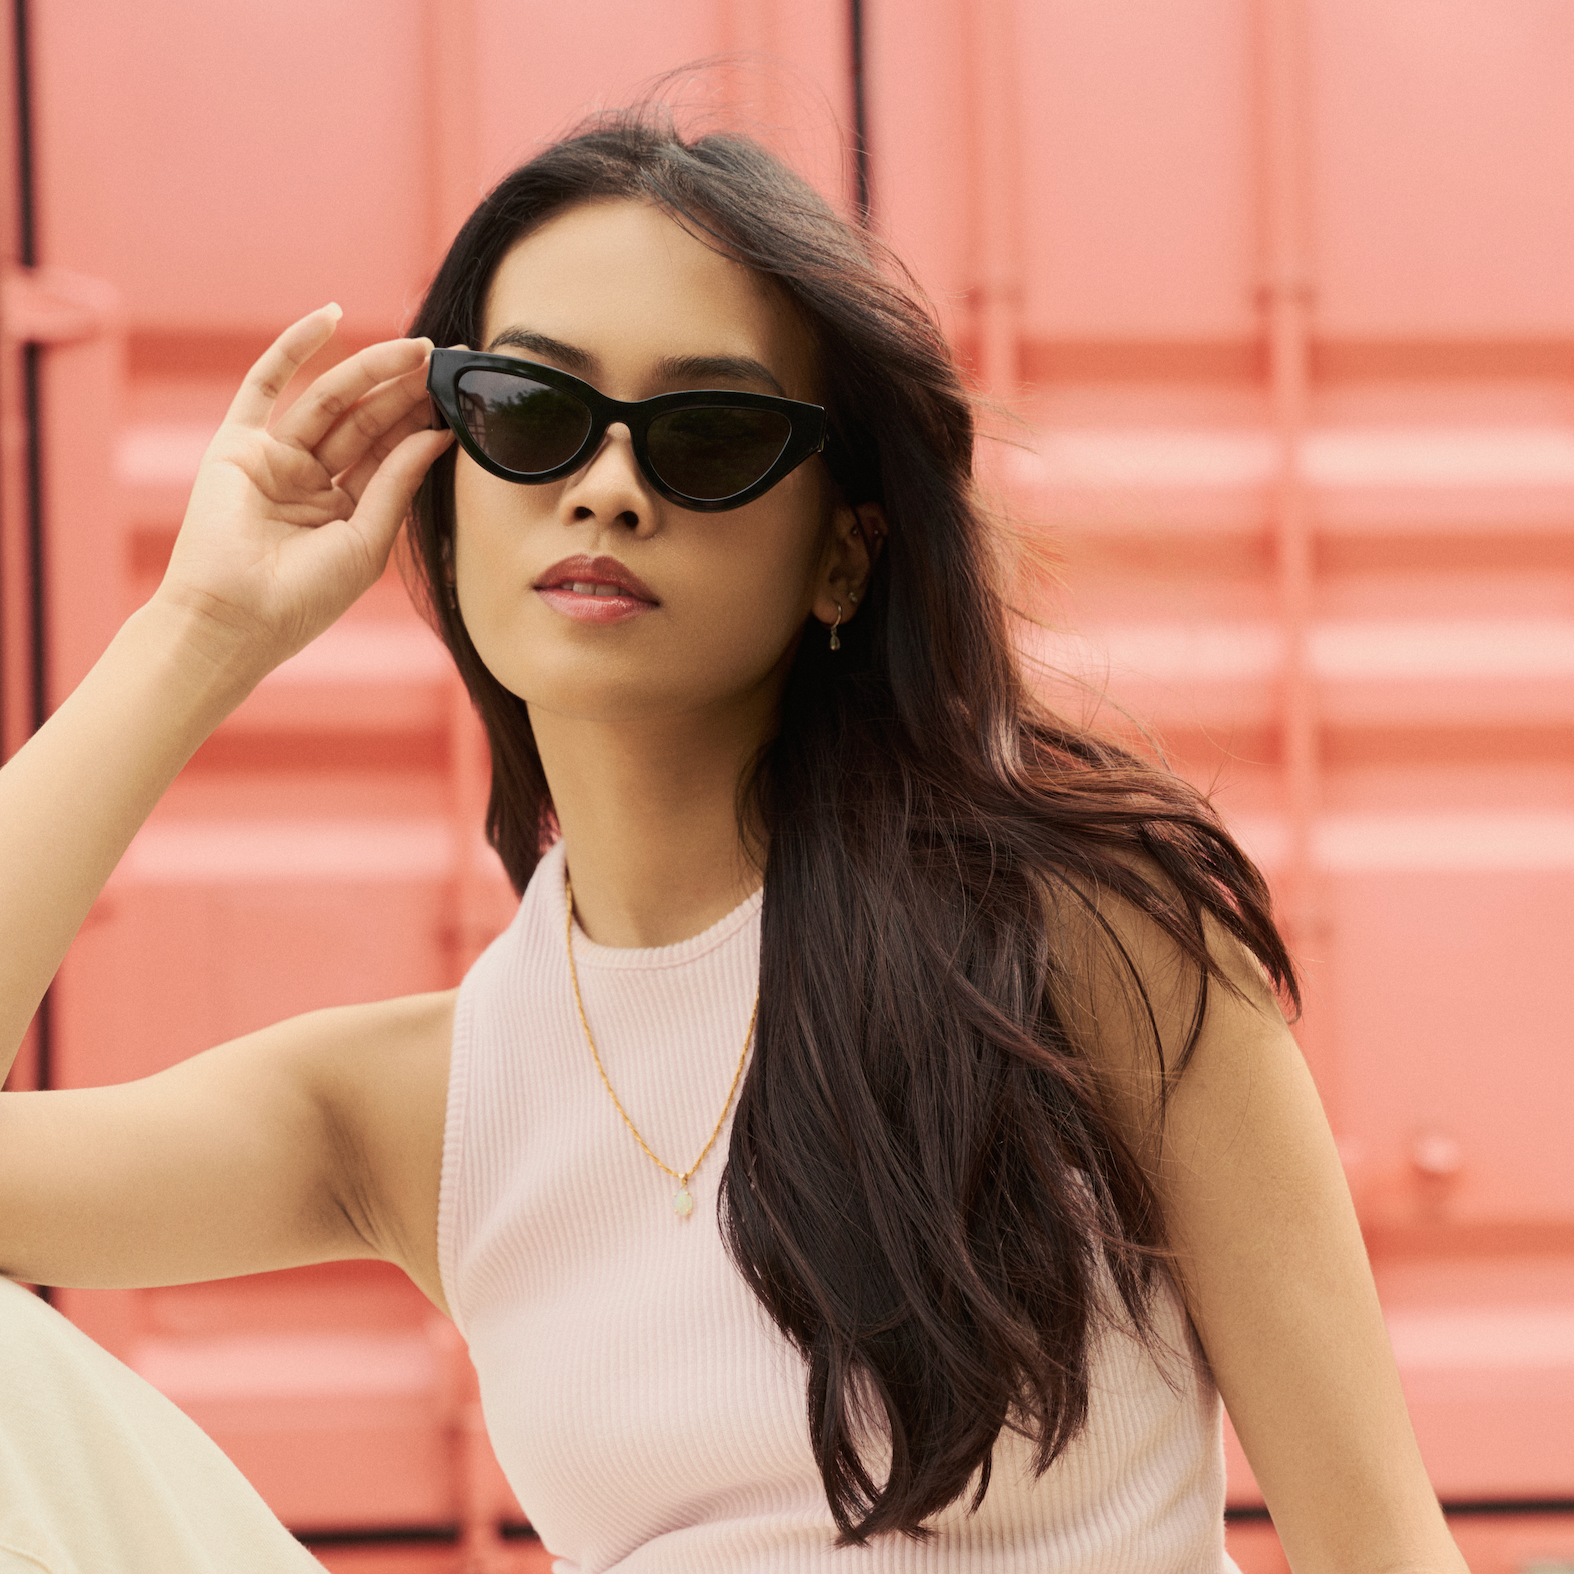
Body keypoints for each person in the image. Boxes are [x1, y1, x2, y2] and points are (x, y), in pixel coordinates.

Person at [0, 110, 1468, 1574]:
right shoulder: (416, 1107)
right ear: (447, 482)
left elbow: (1384, 1552)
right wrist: (201, 631)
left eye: (707, 435)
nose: (606, 486)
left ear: (843, 552)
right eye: (529, 412)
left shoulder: (1082, 943)